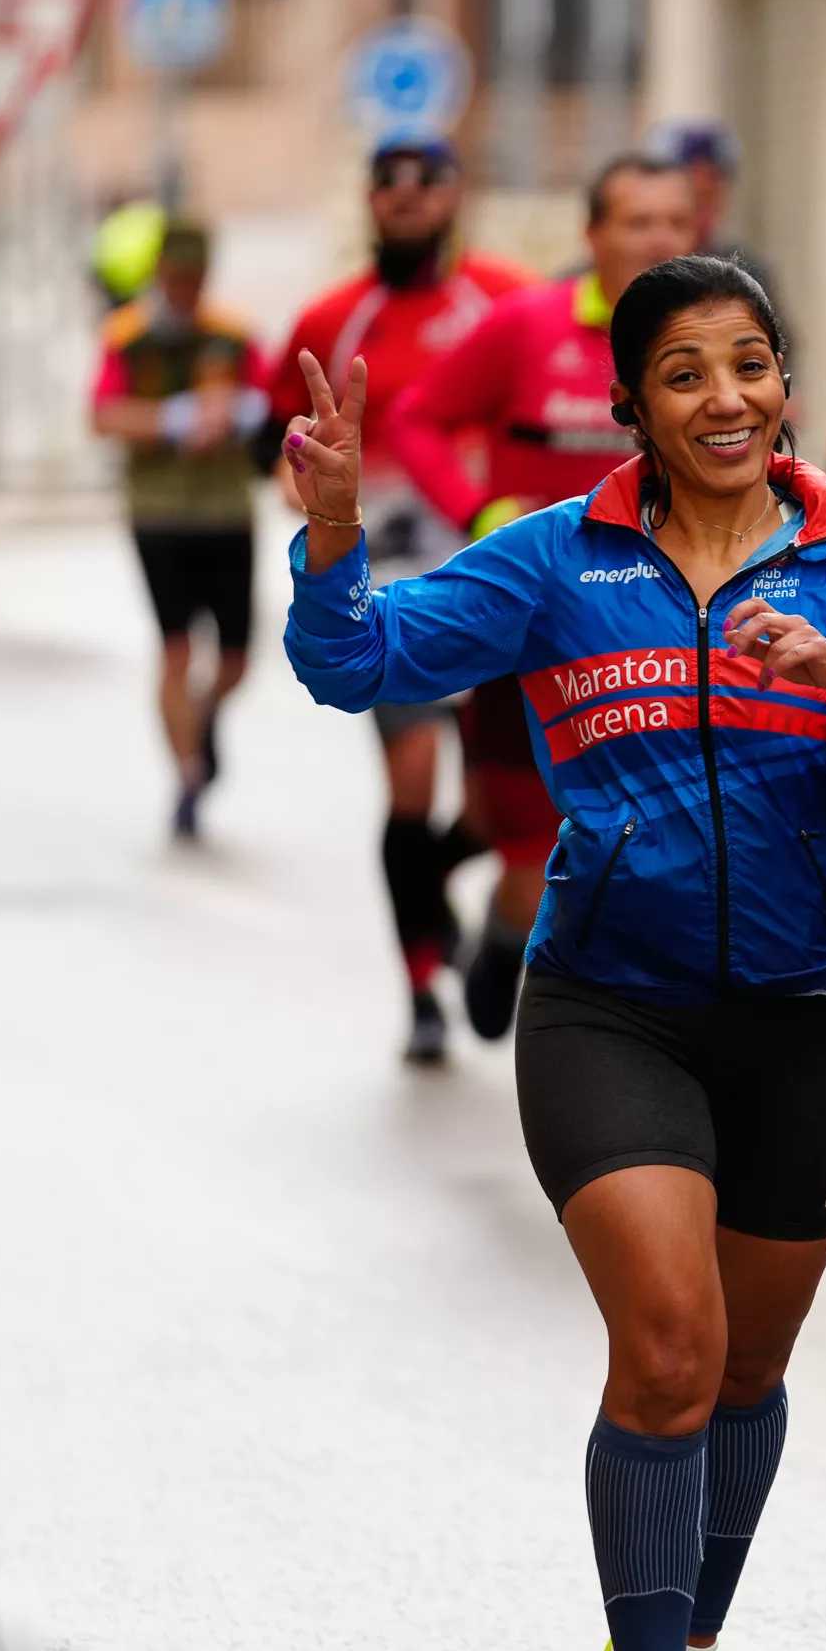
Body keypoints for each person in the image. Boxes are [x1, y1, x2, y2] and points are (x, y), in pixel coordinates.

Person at [282, 255, 826, 1651]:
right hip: (611, 1011)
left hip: (810, 1016)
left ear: (788, 387)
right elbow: (355, 663)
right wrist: (331, 541)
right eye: (683, 373)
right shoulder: (563, 558)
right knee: (671, 1352)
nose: (724, 397)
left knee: (744, 1370)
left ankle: (691, 1631)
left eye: (749, 363)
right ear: (631, 404)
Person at [382, 153, 698, 1042]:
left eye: (677, 223)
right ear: (591, 234)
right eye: (639, 222)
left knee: (636, 836)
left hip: (668, 630)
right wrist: (479, 510)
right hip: (536, 630)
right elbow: (416, 420)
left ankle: (616, 1017)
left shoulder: (712, 340)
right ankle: (507, 931)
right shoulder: (526, 326)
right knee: (511, 833)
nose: (660, 241)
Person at [262, 133, 535, 1063]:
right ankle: (421, 984)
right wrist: (312, 483)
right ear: (370, 201)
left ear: (459, 195)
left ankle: (437, 896)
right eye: (391, 183)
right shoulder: (336, 315)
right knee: (412, 783)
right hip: (394, 587)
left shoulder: (503, 301)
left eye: (429, 181)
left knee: (502, 813)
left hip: (500, 580)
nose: (409, 197)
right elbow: (275, 433)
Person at [92, 220, 272, 840]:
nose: (187, 290)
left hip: (226, 509)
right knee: (174, 648)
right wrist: (173, 420)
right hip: (159, 511)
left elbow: (272, 402)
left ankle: (203, 718)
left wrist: (238, 413)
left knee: (236, 659)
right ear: (160, 275)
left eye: (197, 279)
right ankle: (189, 774)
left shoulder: (233, 333)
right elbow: (103, 413)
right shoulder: (127, 336)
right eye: (177, 278)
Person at [644, 116, 777, 314]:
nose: (703, 218)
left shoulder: (746, 273)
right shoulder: (616, 267)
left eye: (711, 199)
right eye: (694, 199)